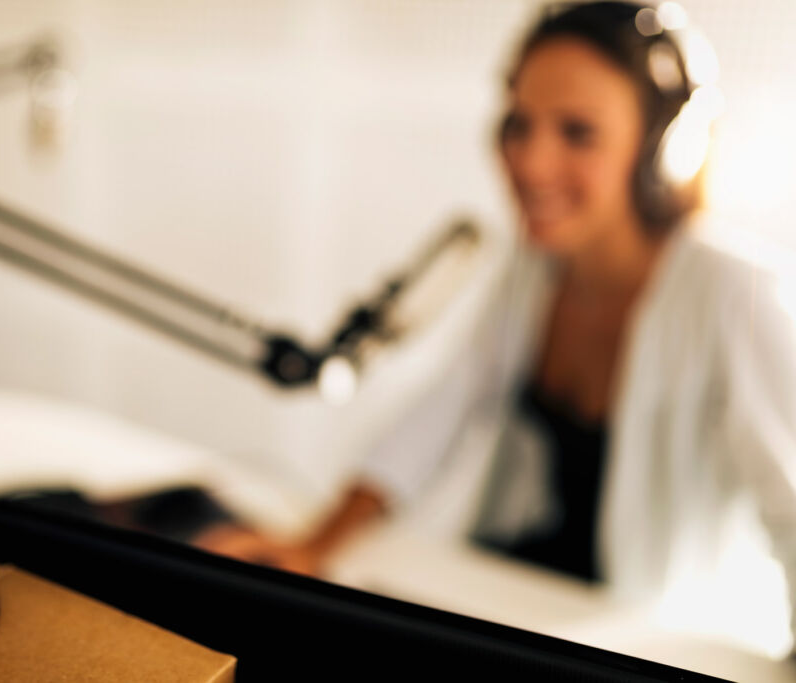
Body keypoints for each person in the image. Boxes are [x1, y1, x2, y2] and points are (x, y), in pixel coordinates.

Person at [198, 0, 796, 635]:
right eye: (519, 124)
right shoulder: (533, 268)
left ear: (658, 152)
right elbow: (444, 408)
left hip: (648, 640)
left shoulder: (736, 293)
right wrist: (316, 545)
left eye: (576, 133)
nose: (530, 163)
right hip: (517, 602)